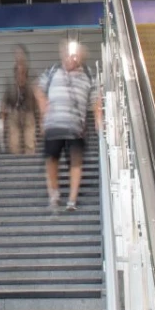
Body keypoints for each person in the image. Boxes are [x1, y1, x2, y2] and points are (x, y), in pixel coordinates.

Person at [37, 48, 101, 211]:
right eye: (68, 55)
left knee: (75, 163)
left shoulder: (88, 75)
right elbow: (38, 90)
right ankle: (54, 195)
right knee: (51, 159)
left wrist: (98, 118)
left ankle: (72, 200)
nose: (71, 59)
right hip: (54, 124)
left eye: (75, 56)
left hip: (75, 127)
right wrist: (43, 110)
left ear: (81, 58)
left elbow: (96, 99)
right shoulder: (52, 71)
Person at [0, 45, 38, 154]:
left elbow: (37, 94)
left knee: (30, 140)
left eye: (20, 54)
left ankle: (30, 161)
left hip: (29, 111)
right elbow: (6, 95)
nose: (18, 57)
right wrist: (2, 112)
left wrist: (40, 115)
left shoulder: (32, 75)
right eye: (16, 55)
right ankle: (14, 161)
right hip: (14, 111)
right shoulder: (10, 75)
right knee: (13, 140)